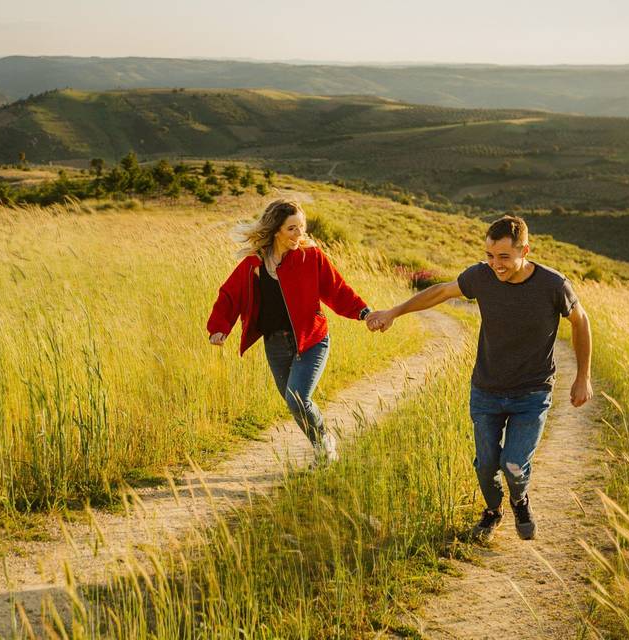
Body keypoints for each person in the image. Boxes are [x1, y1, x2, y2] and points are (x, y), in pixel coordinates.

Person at [366, 215, 592, 541]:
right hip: (486, 390)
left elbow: (580, 321)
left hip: (532, 393)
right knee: (486, 466)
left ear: (524, 250)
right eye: (489, 255)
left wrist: (583, 376)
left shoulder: (553, 285)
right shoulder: (481, 277)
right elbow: (442, 291)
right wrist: (394, 312)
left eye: (503, 257)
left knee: (514, 465)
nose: (495, 264)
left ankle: (520, 498)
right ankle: (493, 511)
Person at [207, 199, 372, 465]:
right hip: (276, 344)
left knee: (298, 397)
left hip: (311, 340)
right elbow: (229, 296)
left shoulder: (311, 257)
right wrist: (219, 327)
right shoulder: (254, 264)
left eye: (302, 228)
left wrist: (364, 313)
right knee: (292, 402)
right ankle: (322, 445)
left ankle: (325, 446)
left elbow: (337, 290)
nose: (299, 235)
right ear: (276, 230)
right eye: (292, 228)